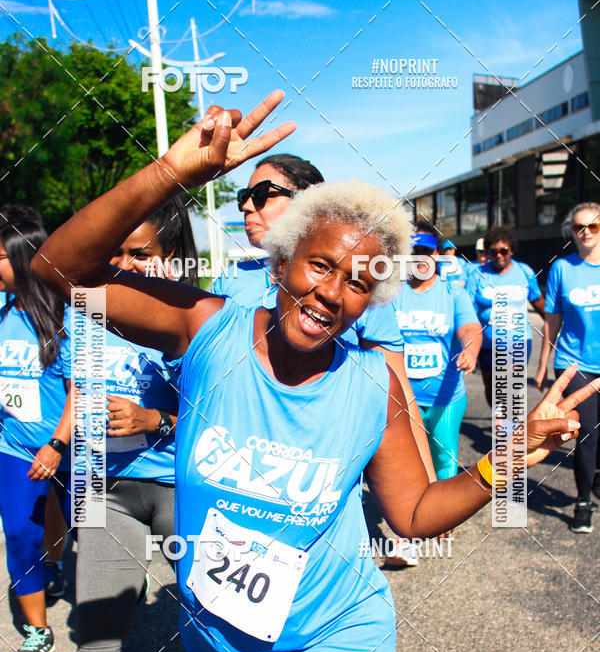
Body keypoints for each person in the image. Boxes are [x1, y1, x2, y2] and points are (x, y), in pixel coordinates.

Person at [18, 92, 595, 652]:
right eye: (320, 264)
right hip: (219, 645)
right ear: (282, 260)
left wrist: (504, 462)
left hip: (329, 643)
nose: (331, 291)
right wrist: (171, 172)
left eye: (357, 281)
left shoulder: (371, 387)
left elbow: (413, 513)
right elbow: (57, 268)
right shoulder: (209, 329)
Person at [15, 199, 192, 652]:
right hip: (106, 487)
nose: (123, 264)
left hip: (183, 488)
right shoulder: (85, 311)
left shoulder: (198, 314)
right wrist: (65, 445)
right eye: (115, 253)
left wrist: (156, 418)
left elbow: (229, 413)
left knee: (227, 626)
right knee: (96, 633)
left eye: (140, 254)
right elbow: (76, 391)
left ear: (172, 256)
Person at [213, 153, 437, 481]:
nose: (247, 206)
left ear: (305, 200)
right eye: (243, 197)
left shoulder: (359, 283)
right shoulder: (229, 282)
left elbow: (398, 393)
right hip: (234, 478)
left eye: (260, 195)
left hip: (322, 483)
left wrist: (426, 482)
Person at [0, 206, 71, 652]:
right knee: (20, 533)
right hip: (12, 446)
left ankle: (66, 567)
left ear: (22, 258)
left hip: (68, 448)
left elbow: (80, 390)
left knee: (83, 527)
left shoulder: (65, 316)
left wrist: (57, 445)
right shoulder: (1, 312)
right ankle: (37, 631)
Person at [393, 234, 482, 479]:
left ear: (437, 255)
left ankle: (443, 503)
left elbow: (469, 327)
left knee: (444, 460)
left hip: (445, 397)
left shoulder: (453, 292)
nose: (420, 258)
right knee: (408, 462)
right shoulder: (394, 294)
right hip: (405, 398)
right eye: (414, 252)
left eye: (427, 251)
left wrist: (470, 350)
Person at [535, 202, 600, 533]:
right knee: (587, 432)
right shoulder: (562, 268)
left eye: (593, 226)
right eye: (579, 227)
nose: (586, 232)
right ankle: (583, 502)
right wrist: (543, 363)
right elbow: (552, 320)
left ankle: (595, 474)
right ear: (571, 231)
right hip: (575, 363)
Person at [467, 227, 545, 406]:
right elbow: (468, 311)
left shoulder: (524, 272)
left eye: (503, 251)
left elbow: (538, 301)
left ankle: (509, 418)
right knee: (491, 388)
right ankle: (501, 415)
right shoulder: (477, 275)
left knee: (506, 382)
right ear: (488, 253)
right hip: (487, 344)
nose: (499, 255)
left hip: (518, 341)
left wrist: (555, 324)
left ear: (511, 250)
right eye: (493, 252)